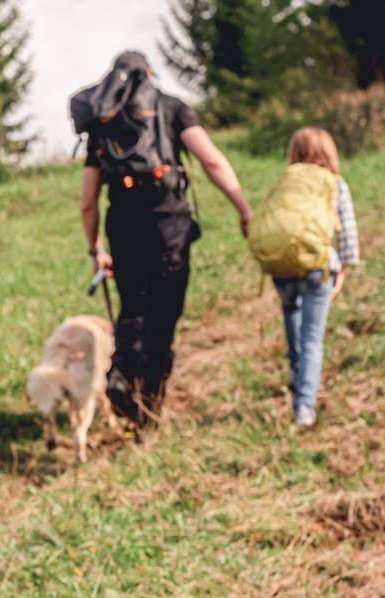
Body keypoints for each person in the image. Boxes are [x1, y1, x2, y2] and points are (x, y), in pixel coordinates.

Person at [79, 50, 254, 428]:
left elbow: (87, 202)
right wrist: (243, 208)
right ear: (150, 73)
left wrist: (96, 249)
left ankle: (123, 376)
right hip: (169, 224)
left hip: (122, 224)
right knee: (163, 315)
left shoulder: (103, 122)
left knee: (133, 308)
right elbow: (211, 161)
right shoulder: (172, 107)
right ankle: (149, 407)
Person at [274, 126, 362, 429]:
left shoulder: (286, 182)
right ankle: (304, 408)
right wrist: (344, 270)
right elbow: (347, 233)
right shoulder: (334, 183)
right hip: (317, 268)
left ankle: (296, 373)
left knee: (291, 313)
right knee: (313, 337)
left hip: (283, 267)